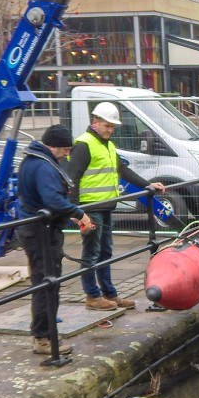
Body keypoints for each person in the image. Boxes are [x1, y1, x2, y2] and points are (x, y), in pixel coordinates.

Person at [68, 102, 164, 312]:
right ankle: (92, 296)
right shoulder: (84, 145)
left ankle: (109, 294)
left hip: (105, 207)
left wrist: (147, 184)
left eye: (112, 127)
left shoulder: (108, 146)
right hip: (90, 209)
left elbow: (123, 171)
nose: (110, 130)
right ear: (95, 122)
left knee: (105, 252)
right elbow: (72, 179)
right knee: (92, 253)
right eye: (107, 126)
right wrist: (76, 212)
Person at [17, 124, 93, 357]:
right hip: (41, 232)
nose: (67, 154)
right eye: (66, 149)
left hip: (35, 228)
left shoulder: (33, 160)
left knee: (45, 283)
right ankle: (43, 338)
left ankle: (45, 333)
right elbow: (52, 199)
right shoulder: (43, 166)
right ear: (55, 146)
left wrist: (65, 215)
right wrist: (79, 213)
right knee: (47, 284)